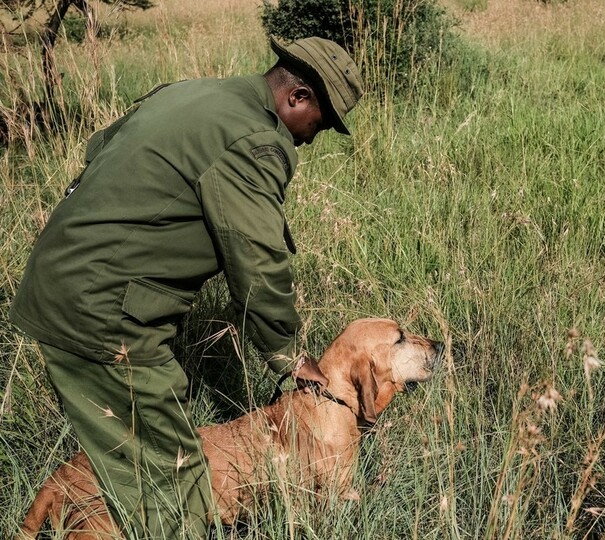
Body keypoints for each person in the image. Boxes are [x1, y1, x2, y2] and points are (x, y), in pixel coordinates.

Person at [10, 36, 363, 538]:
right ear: (298, 98)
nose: (311, 138)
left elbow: (97, 154)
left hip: (62, 284)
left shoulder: (192, 94)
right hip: (101, 311)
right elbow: (257, 263)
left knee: (136, 460)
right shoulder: (257, 141)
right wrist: (287, 355)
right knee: (179, 488)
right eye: (320, 125)